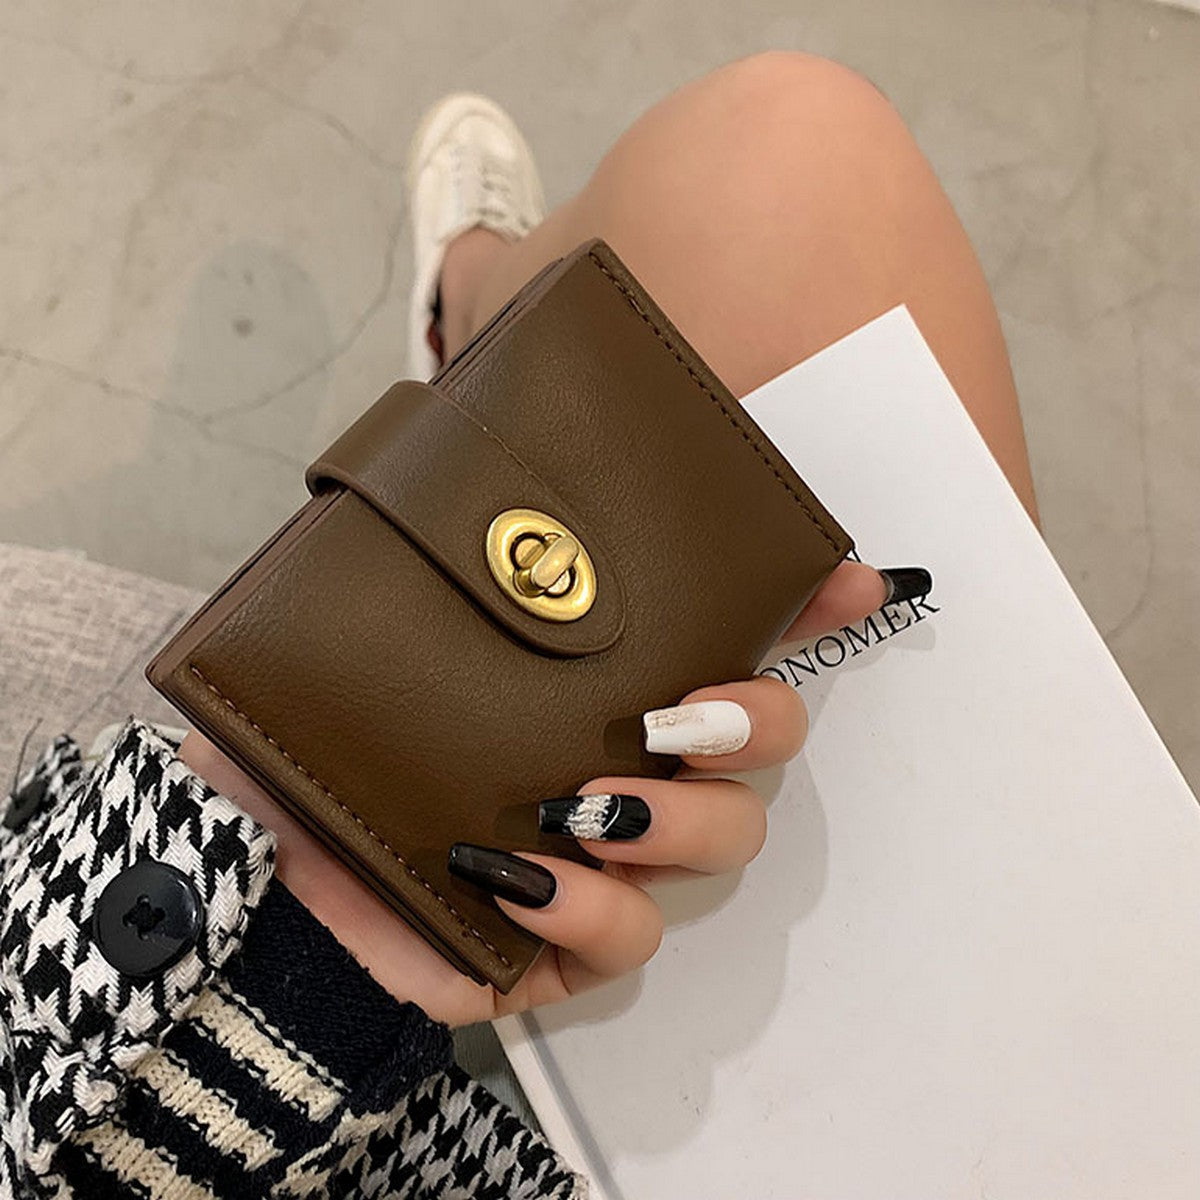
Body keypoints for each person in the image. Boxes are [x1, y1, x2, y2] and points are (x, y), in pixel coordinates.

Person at [0, 52, 1034, 1198]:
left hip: (175, 1065)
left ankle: (473, 298)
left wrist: (289, 960)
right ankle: (479, 302)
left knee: (782, 158)